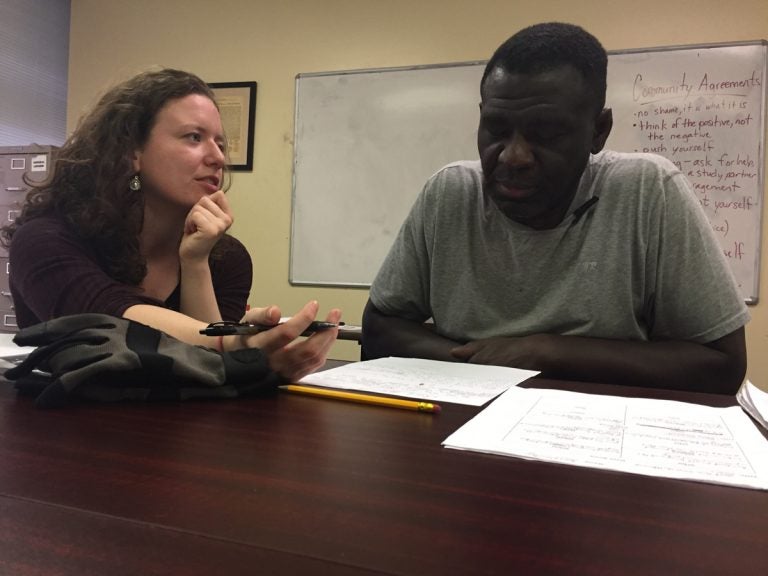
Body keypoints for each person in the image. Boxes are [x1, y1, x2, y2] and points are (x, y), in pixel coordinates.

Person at [362, 22, 749, 394]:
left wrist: (549, 352)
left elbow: (722, 364)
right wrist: (483, 365)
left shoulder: (648, 190)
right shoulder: (449, 192)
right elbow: (379, 327)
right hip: (461, 426)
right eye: (496, 129)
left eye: (545, 134)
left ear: (599, 131)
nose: (513, 156)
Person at [2, 68, 340, 382]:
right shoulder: (46, 240)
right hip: (65, 432)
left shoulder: (227, 257)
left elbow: (209, 371)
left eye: (220, 144)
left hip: (182, 432)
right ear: (131, 152)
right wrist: (239, 346)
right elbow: (112, 325)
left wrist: (196, 265)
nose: (218, 157)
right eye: (194, 137)